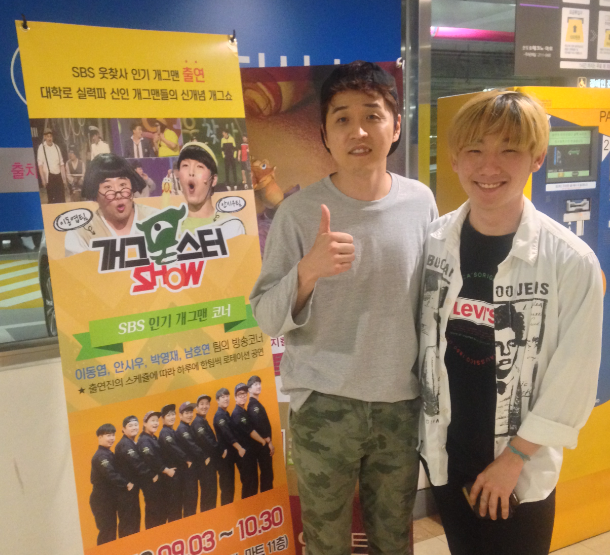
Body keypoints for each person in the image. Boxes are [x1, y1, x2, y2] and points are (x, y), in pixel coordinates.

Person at [250, 60, 437, 555]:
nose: (359, 131)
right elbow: (265, 315)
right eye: (343, 119)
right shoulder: (298, 212)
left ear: (395, 127)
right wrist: (307, 271)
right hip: (324, 405)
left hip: (400, 404)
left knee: (393, 541)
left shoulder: (421, 203)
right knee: (325, 543)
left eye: (373, 115)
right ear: (325, 135)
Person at [418, 90, 603, 555]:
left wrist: (514, 459)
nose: (489, 166)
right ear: (455, 159)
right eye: (475, 150)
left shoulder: (570, 261)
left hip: (519, 468)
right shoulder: (436, 240)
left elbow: (574, 379)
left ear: (537, 158)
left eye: (509, 150)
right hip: (447, 455)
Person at [64, 153, 158, 256]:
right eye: (108, 187)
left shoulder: (156, 219)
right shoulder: (81, 233)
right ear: (95, 193)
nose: (118, 195)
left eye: (123, 184)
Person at [177, 142, 246, 238]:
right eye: (185, 165)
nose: (191, 172)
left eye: (199, 166)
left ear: (213, 180)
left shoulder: (231, 226)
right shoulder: (168, 229)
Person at [114, 416, 157, 537]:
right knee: (129, 521)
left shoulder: (131, 442)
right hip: (126, 490)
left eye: (135, 425)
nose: (134, 428)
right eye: (130, 425)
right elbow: (136, 463)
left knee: (134, 519)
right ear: (123, 429)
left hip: (131, 489)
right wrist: (152, 475)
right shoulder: (125, 444)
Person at [90, 423, 132, 545]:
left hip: (108, 498)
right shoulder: (101, 456)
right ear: (99, 437)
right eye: (108, 435)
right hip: (101, 499)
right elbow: (111, 474)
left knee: (111, 531)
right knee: (107, 532)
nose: (112, 438)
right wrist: (126, 483)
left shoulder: (108, 453)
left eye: (113, 435)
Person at [138, 411, 175, 529]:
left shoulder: (153, 437)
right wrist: (166, 470)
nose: (156, 423)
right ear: (145, 423)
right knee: (154, 513)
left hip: (159, 482)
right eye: (152, 420)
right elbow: (150, 458)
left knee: (161, 512)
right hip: (151, 483)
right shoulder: (144, 440)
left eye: (157, 420)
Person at [231, 383, 267, 499]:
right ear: (235, 397)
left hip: (249, 455)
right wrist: (262, 441)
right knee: (249, 485)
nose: (243, 396)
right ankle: (247, 509)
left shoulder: (243, 411)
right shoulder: (237, 413)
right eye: (239, 394)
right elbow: (250, 431)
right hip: (245, 456)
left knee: (252, 484)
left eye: (244, 394)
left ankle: (252, 508)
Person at [159, 404, 191, 522]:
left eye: (173, 414)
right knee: (174, 506)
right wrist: (187, 459)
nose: (172, 417)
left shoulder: (171, 431)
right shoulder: (165, 433)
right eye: (168, 415)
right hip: (172, 476)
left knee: (178, 504)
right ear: (163, 418)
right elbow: (173, 448)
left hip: (177, 473)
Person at [213, 387, 244, 505]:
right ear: (217, 400)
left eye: (227, 396)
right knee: (227, 489)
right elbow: (227, 434)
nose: (226, 399)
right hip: (224, 458)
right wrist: (240, 448)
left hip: (230, 456)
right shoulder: (219, 416)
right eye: (222, 397)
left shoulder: (226, 413)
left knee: (230, 488)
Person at [191, 394, 221, 512]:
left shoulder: (203, 420)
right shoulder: (198, 423)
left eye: (207, 404)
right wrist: (222, 450)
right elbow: (207, 442)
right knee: (208, 494)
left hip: (209, 464)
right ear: (196, 407)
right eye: (201, 404)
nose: (204, 406)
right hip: (205, 466)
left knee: (210, 493)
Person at [175, 401, 203, 517]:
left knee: (192, 497)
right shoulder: (182, 429)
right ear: (180, 415)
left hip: (191, 470)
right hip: (187, 471)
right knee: (190, 498)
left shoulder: (187, 427)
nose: (190, 415)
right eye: (186, 413)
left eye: (191, 412)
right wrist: (206, 457)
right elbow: (192, 446)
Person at [247, 375, 275, 492]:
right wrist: (268, 441)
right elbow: (258, 425)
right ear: (249, 389)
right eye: (255, 384)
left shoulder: (256, 404)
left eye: (259, 384)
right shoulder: (253, 405)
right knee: (267, 475)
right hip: (262, 446)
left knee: (267, 475)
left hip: (263, 444)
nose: (258, 386)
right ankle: (267, 499)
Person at [36, 127, 67, 204]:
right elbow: (40, 165)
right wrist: (43, 179)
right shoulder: (41, 148)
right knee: (52, 201)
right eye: (47, 136)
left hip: (58, 177)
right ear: (45, 137)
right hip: (49, 178)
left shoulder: (56, 147)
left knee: (61, 199)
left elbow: (61, 164)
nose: (49, 138)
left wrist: (64, 179)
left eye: (50, 136)